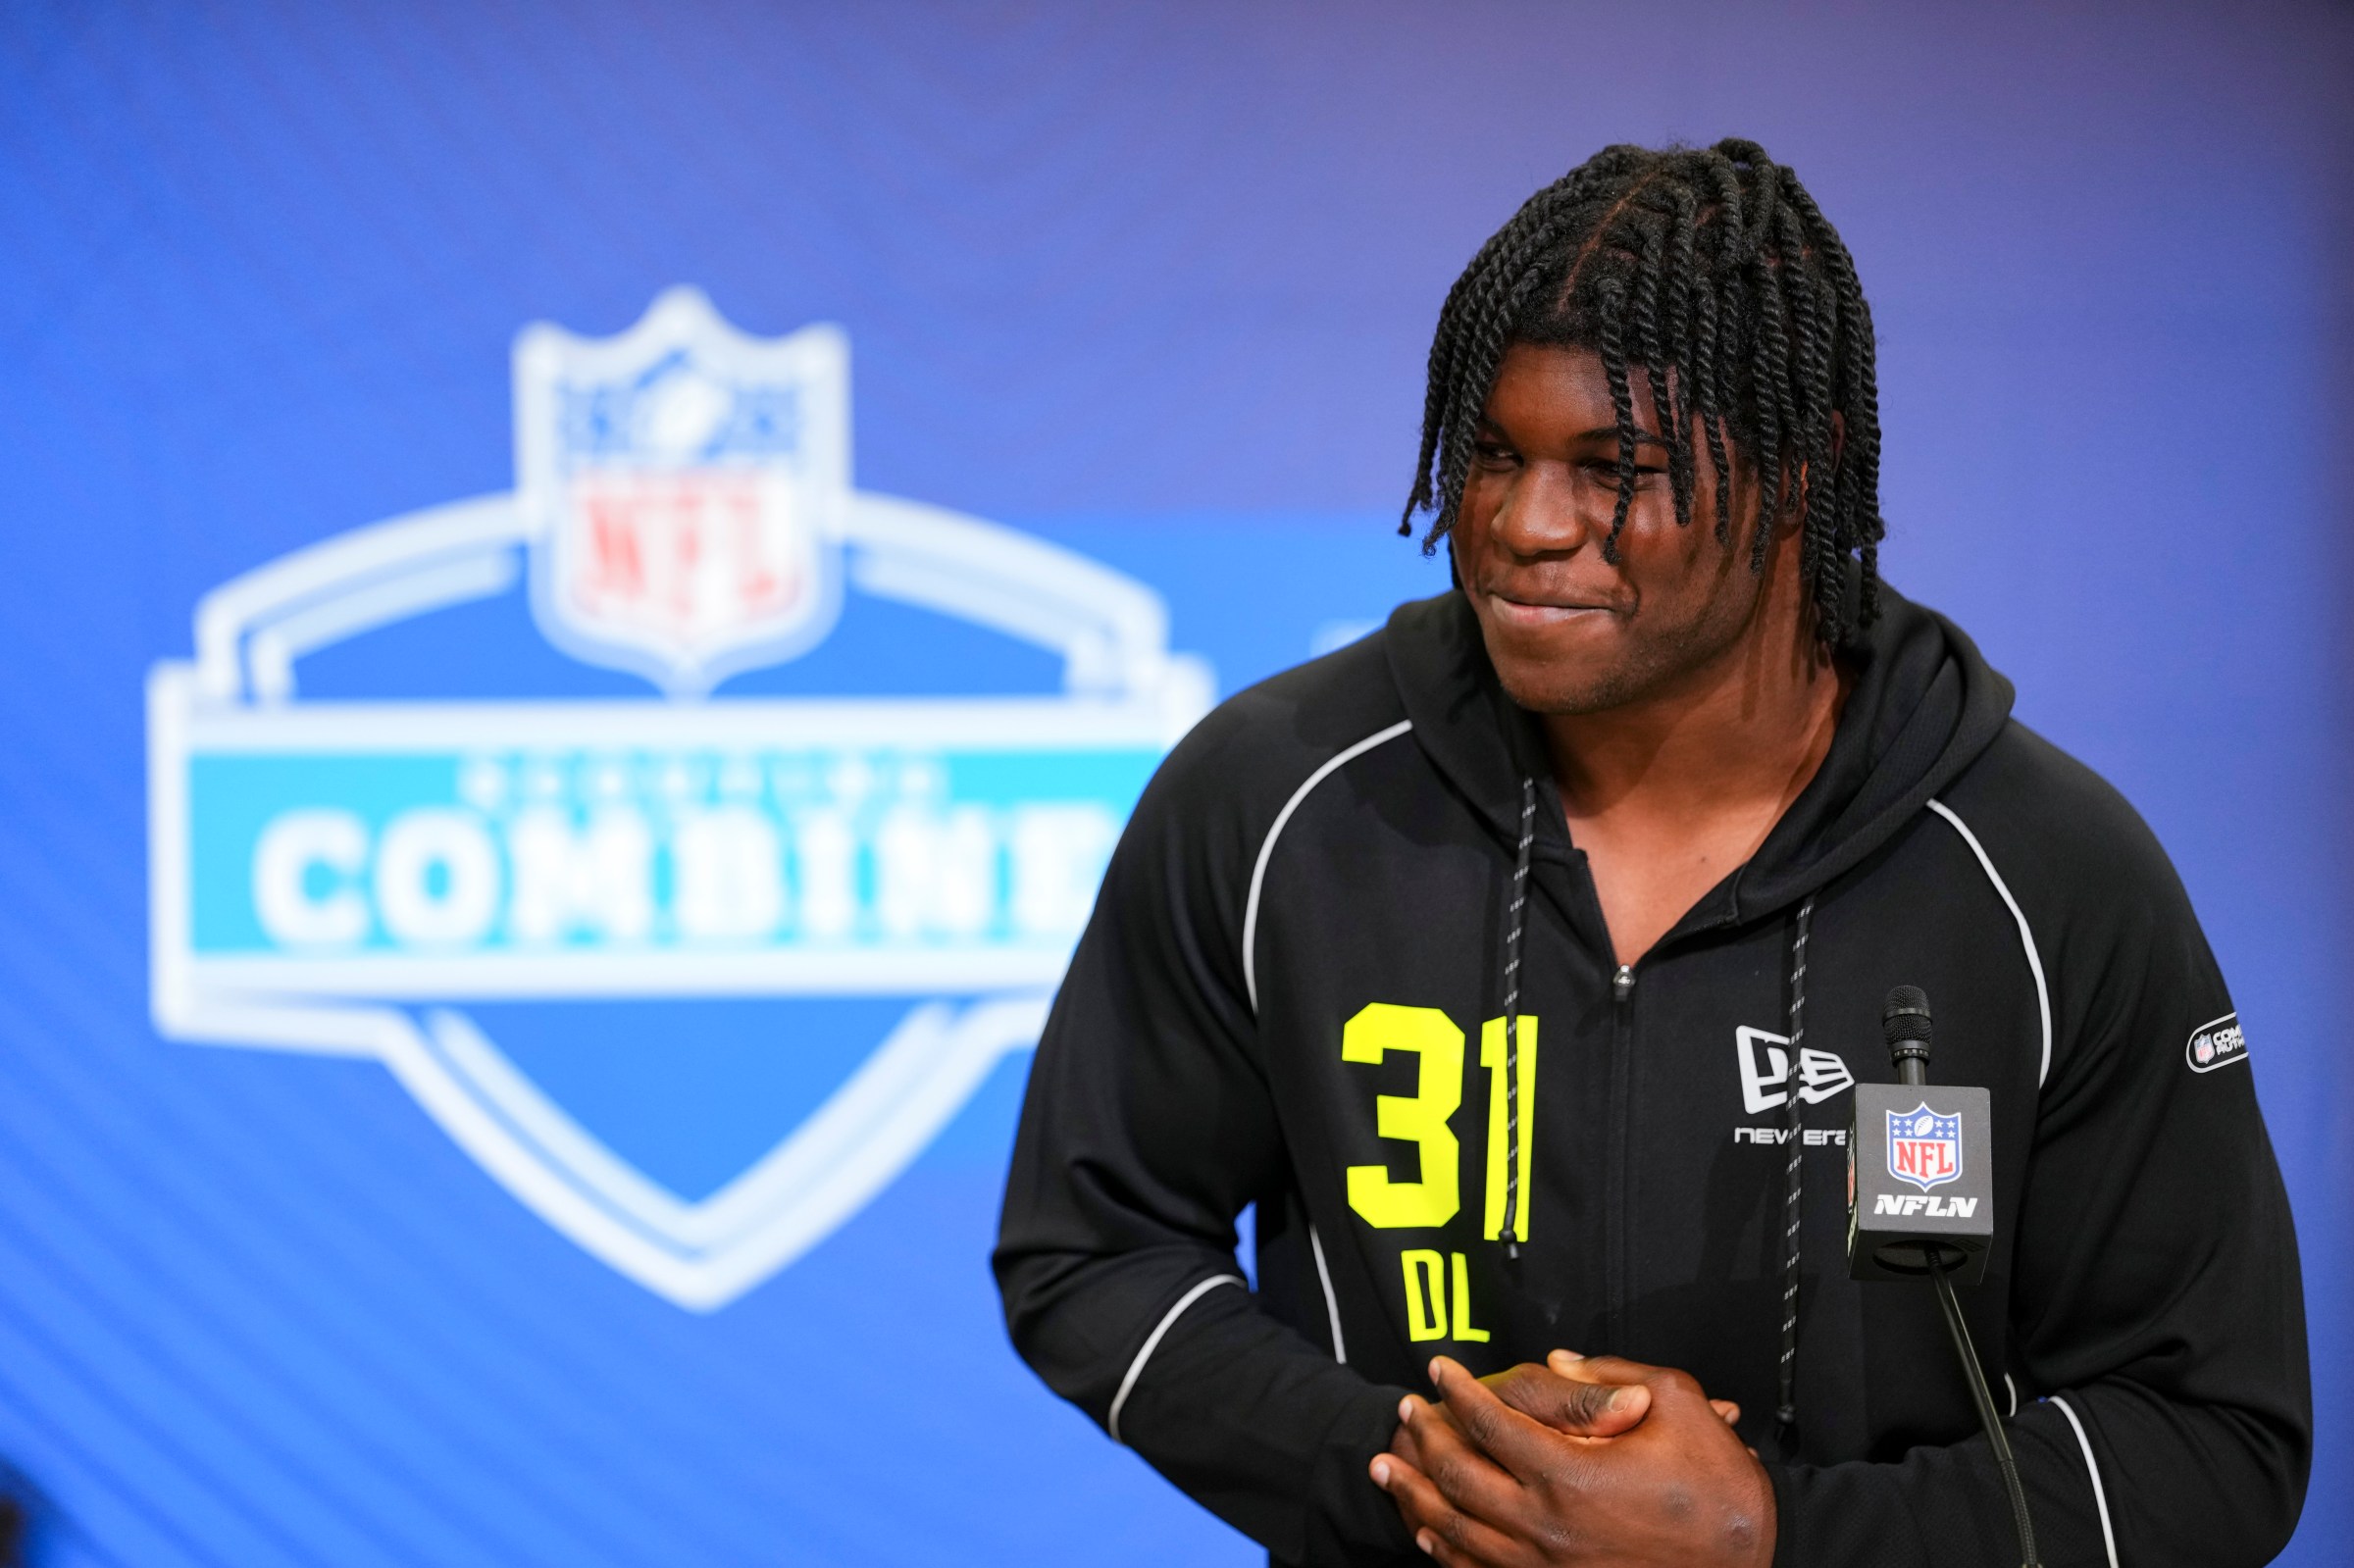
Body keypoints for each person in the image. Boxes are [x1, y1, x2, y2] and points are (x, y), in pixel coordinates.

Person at [993, 139, 2310, 1567]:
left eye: (1617, 469)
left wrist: (1769, 1538)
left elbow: (2210, 1435)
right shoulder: (1281, 795)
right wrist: (1430, 1477)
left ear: (1800, 477)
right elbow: (1092, 1244)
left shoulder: (2042, 871)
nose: (1524, 526)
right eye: (1493, 454)